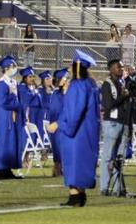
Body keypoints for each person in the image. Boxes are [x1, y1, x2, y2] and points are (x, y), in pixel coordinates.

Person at [49, 50, 99, 208]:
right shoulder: (91, 84)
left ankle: (75, 197)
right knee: (83, 162)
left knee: (74, 162)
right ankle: (81, 195)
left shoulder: (78, 85)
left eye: (72, 65)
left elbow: (73, 111)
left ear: (77, 66)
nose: (70, 69)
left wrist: (60, 125)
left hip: (77, 132)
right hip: (88, 130)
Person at [98, 58, 128, 194]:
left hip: (122, 122)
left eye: (122, 68)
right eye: (118, 67)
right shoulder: (107, 84)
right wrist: (123, 96)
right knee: (108, 156)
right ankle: (104, 187)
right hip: (112, 123)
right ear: (111, 69)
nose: (121, 70)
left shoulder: (122, 83)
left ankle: (118, 188)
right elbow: (109, 105)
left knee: (119, 158)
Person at [0, 54, 25, 179]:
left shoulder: (13, 83)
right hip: (5, 117)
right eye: (13, 66)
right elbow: (3, 102)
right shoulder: (1, 84)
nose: (15, 68)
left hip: (13, 116)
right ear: (6, 68)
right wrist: (17, 104)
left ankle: (8, 168)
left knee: (12, 142)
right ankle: (1, 169)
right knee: (4, 141)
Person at [47, 68, 67, 177]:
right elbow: (55, 111)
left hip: (66, 125)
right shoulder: (56, 94)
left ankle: (61, 169)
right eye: (65, 78)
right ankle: (57, 169)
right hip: (58, 126)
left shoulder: (68, 93)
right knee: (59, 149)